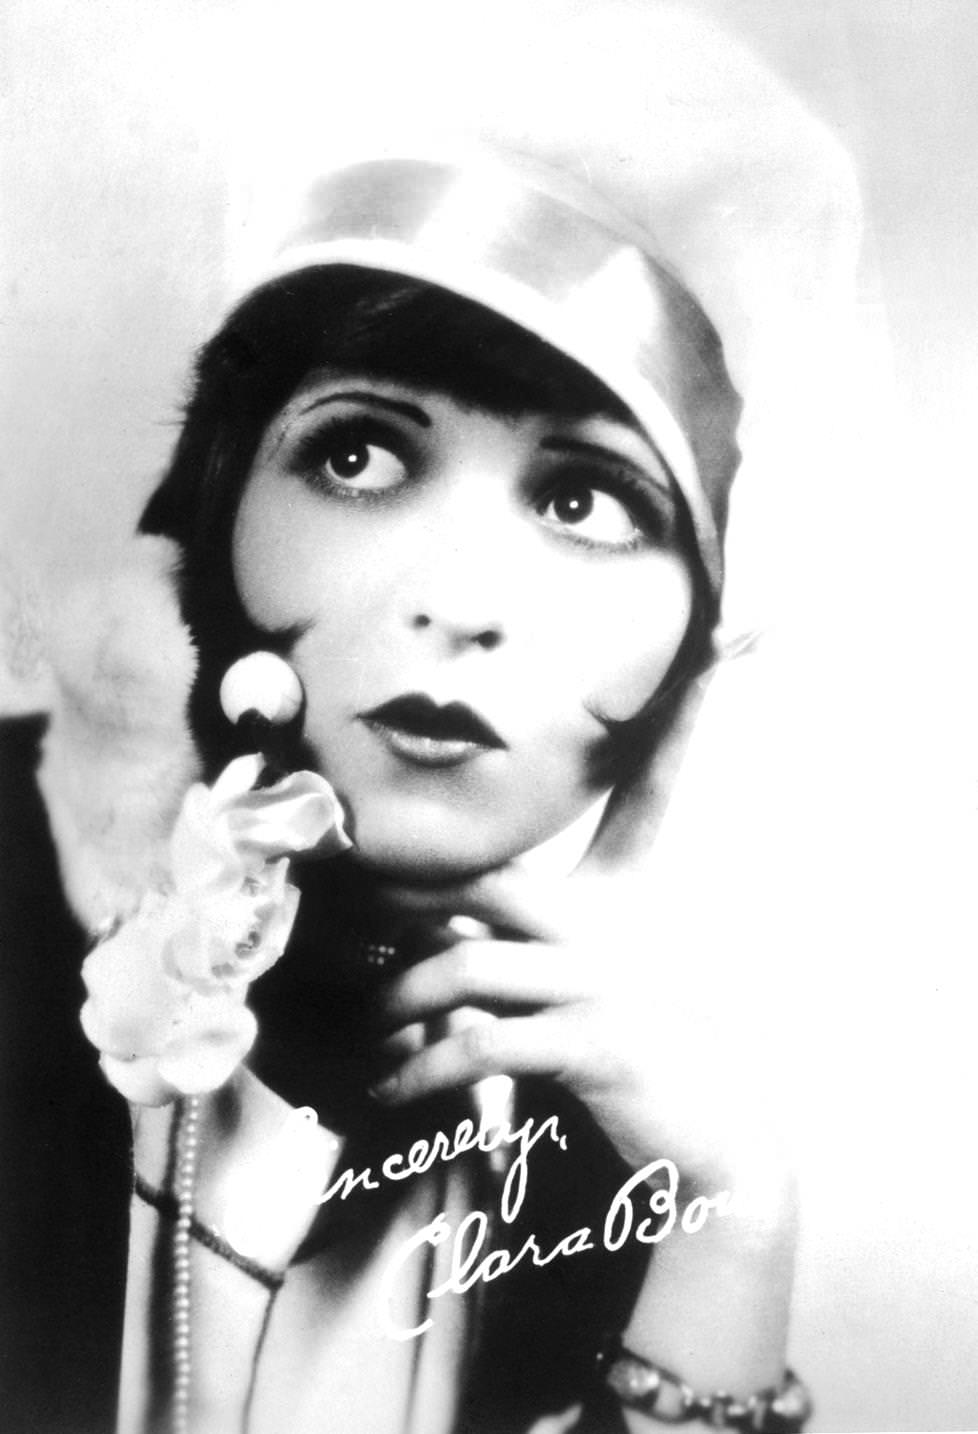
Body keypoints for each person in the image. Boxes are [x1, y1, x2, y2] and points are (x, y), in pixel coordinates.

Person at [0, 11, 862, 1434]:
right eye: (355, 453)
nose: (458, 597)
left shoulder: (616, 1099)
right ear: (216, 512)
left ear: (694, 652)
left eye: (585, 500)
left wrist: (725, 1231)